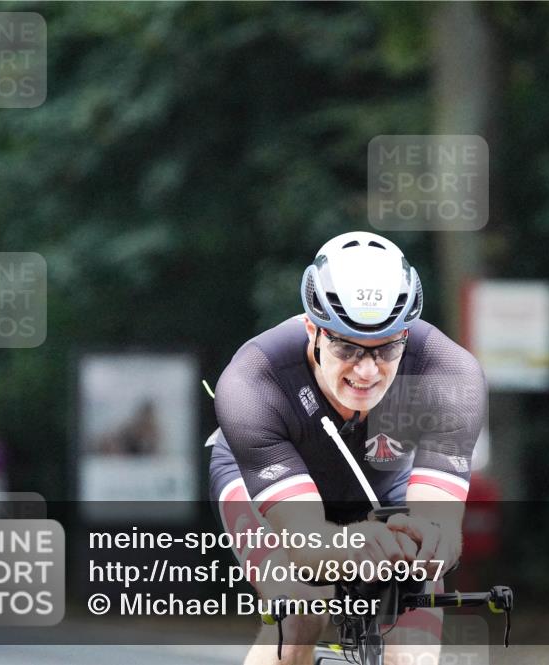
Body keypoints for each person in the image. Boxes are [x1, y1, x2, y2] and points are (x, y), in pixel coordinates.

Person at [208, 231, 487, 665]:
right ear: (311, 329)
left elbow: (442, 531)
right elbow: (306, 544)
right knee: (300, 611)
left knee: (414, 635)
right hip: (268, 489)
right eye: (346, 347)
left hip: (382, 479)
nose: (367, 370)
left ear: (408, 336)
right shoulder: (252, 382)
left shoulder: (449, 374)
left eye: (387, 349)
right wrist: (355, 542)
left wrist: (428, 545)